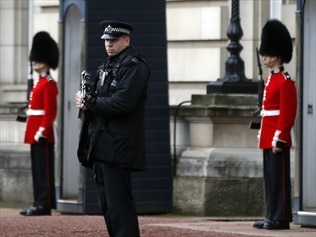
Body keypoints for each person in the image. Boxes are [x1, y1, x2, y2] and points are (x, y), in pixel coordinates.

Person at [75, 20, 150, 237]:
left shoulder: (134, 67)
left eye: (114, 40)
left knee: (119, 205)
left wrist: (91, 103)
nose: (109, 44)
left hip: (119, 146)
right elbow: (98, 102)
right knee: (108, 204)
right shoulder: (105, 67)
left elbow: (123, 103)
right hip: (102, 144)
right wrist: (86, 101)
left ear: (126, 40)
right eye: (107, 40)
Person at [253, 19, 297, 230]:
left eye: (267, 54)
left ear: (277, 55)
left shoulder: (285, 80)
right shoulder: (271, 79)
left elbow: (287, 114)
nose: (264, 57)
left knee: (279, 180)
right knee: (270, 180)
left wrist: (279, 138)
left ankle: (281, 218)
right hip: (267, 135)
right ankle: (271, 214)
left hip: (277, 138)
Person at [20, 31, 59, 216]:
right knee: (37, 170)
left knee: (44, 170)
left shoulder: (49, 84)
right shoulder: (39, 83)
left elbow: (50, 112)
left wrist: (42, 130)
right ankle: (38, 201)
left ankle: (45, 203)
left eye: (37, 59)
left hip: (42, 133)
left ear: (46, 61)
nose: (34, 62)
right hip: (34, 130)